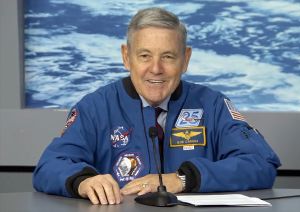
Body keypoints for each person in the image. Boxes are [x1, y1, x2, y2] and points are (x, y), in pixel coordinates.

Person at [33, 7, 281, 205]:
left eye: (168, 56)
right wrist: (83, 183)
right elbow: (50, 165)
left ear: (186, 59)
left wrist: (184, 179)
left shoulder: (212, 105)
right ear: (125, 57)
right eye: (144, 56)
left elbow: (261, 164)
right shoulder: (95, 107)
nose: (156, 69)